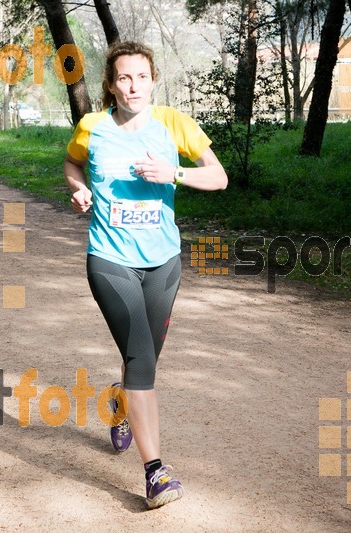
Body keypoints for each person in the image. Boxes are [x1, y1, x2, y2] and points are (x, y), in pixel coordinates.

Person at [64, 42, 227, 510]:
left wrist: (173, 173)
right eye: (123, 78)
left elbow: (218, 177)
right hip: (109, 259)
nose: (132, 86)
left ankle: (118, 399)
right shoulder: (91, 127)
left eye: (141, 77)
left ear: (153, 80)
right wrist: (78, 190)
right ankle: (156, 472)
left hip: (163, 262)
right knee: (142, 361)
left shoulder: (174, 124)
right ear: (110, 84)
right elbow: (73, 164)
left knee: (145, 360)